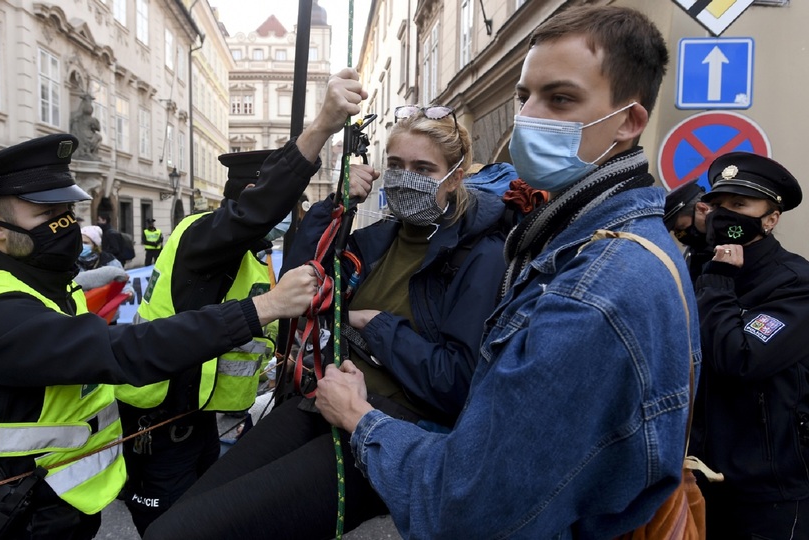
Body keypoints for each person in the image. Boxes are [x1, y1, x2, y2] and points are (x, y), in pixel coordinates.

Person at [314, 6, 700, 538]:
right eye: (524, 97)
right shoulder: (586, 241)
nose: (528, 117)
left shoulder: (594, 291)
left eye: (560, 99)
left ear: (630, 121)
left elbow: (468, 506)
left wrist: (361, 419)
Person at [0, 133, 318, 539]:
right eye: (46, 213)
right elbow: (124, 352)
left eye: (68, 208)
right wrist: (265, 308)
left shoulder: (44, 285)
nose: (66, 223)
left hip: (46, 503)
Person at [143, 105, 513, 539]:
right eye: (395, 165)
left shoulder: (481, 255)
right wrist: (337, 204)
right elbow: (301, 277)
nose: (405, 176)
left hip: (388, 424)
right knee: (172, 522)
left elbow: (456, 384)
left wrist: (374, 324)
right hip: (322, 399)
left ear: (455, 175)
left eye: (423, 167)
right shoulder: (378, 238)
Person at [115, 68, 368, 536]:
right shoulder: (202, 238)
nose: (282, 220)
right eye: (278, 207)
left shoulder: (253, 260)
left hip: (203, 425)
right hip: (159, 428)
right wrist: (321, 127)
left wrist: (336, 202)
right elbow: (255, 214)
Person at [689, 152, 809, 539]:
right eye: (720, 204)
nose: (726, 215)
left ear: (771, 219)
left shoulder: (794, 283)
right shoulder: (705, 273)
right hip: (700, 479)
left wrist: (719, 283)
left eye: (740, 205)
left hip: (767, 494)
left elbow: (741, 358)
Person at [664, 179, 711, 280]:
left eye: (681, 227)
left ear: (702, 209)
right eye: (675, 232)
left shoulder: (733, 247)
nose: (680, 235)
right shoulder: (690, 254)